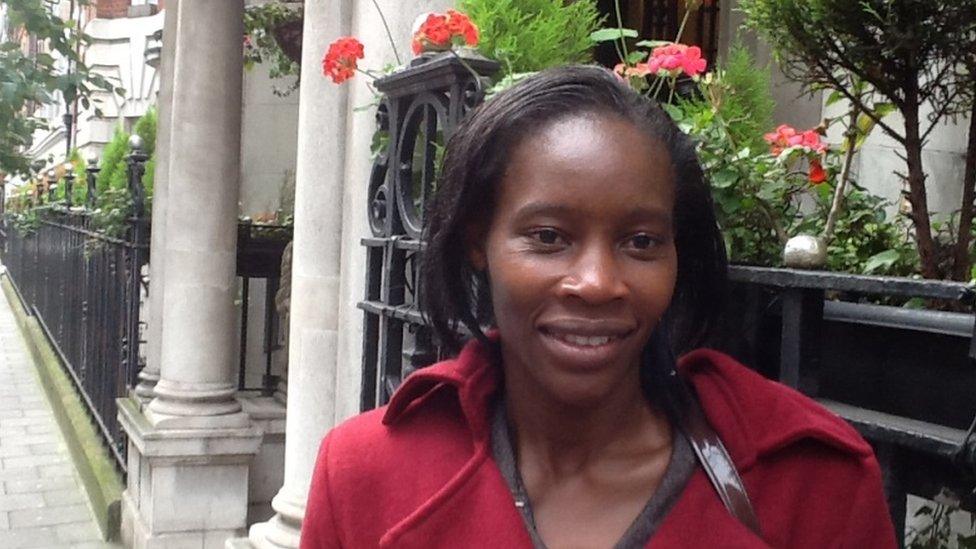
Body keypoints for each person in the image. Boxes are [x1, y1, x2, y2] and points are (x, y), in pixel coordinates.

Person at [300, 65, 897, 549]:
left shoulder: (811, 484)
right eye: (548, 236)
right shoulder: (365, 476)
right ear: (479, 241)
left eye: (641, 242)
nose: (596, 283)